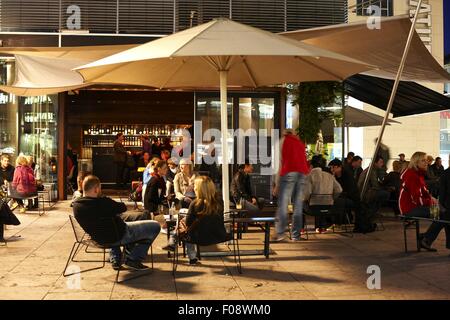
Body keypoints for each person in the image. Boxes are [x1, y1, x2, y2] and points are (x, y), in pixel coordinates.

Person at [73, 175, 160, 270]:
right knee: (155, 226)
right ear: (96, 189)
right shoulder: (103, 203)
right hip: (119, 235)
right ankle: (133, 260)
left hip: (98, 238)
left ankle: (127, 254)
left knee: (134, 219)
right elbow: (122, 207)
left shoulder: (77, 206)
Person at [165, 176, 227, 265]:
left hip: (198, 237)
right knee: (187, 223)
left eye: (195, 186)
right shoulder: (220, 201)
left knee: (186, 227)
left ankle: (177, 243)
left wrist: (183, 220)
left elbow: (188, 223)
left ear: (199, 189)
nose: (194, 188)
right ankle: (174, 238)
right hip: (219, 235)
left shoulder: (195, 203)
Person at [399, 152, 448, 252]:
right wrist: (432, 201)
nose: (426, 163)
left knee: (443, 213)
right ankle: (426, 239)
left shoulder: (418, 174)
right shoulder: (413, 176)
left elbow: (424, 192)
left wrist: (432, 199)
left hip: (413, 206)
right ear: (416, 162)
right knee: (442, 214)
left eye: (426, 160)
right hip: (409, 208)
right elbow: (418, 200)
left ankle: (425, 238)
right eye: (423, 160)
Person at [272, 129, 309, 242]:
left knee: (283, 203)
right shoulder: (300, 143)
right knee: (298, 205)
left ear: (284, 134)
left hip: (288, 172)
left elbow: (279, 163)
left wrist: (277, 183)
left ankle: (280, 234)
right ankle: (296, 235)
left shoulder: (282, 141)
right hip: (302, 173)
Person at [303, 155, 342, 233]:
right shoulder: (330, 175)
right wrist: (332, 198)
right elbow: (339, 190)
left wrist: (305, 199)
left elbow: (307, 193)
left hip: (313, 208)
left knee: (300, 204)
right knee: (322, 204)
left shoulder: (310, 176)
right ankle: (321, 227)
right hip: (329, 206)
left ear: (311, 166)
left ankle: (300, 228)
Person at [329, 158, 365, 232]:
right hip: (344, 197)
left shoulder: (347, 175)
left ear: (339, 167)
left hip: (352, 199)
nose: (331, 169)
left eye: (333, 167)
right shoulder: (335, 176)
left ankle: (337, 223)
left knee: (337, 202)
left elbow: (349, 191)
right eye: (331, 168)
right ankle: (332, 223)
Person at [357, 155, 390, 231]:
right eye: (380, 162)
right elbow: (375, 185)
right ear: (375, 163)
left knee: (382, 195)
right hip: (366, 193)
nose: (382, 164)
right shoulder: (371, 171)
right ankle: (371, 214)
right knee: (385, 194)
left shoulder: (371, 170)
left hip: (366, 192)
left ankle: (371, 213)